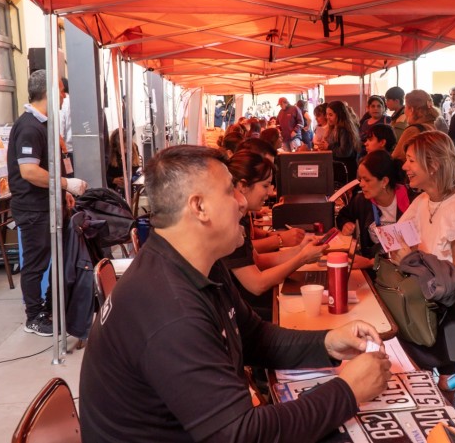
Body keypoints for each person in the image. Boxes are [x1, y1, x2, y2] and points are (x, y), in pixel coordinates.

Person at [79, 145, 391, 442]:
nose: (242, 202)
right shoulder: (170, 310)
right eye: (231, 191)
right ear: (199, 207)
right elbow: (242, 435)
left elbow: (254, 337)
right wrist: (348, 391)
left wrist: (328, 342)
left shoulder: (199, 265)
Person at [7, 69, 88, 336]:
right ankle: (34, 316)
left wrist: (62, 192)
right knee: (35, 263)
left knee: (56, 256)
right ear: (49, 92)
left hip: (49, 204)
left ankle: (51, 306)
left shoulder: (45, 125)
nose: (64, 96)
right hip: (33, 209)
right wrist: (66, 183)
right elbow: (30, 172)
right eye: (61, 91)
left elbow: (48, 166)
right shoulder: (29, 127)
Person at [393, 131, 455, 390]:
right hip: (423, 298)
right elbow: (396, 238)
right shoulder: (422, 201)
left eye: (411, 160)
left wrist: (414, 260)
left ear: (434, 165)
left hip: (444, 307)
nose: (404, 166)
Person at [221, 151, 328, 320]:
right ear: (243, 185)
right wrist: (302, 258)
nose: (270, 192)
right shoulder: (230, 223)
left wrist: (300, 250)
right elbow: (257, 284)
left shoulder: (241, 218)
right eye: (265, 186)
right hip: (236, 313)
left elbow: (258, 260)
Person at [336, 151, 414, 264]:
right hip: (374, 267)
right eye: (360, 179)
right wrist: (345, 224)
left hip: (406, 267)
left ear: (384, 181)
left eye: (367, 180)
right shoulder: (362, 201)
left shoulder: (411, 202)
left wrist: (370, 263)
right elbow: (343, 216)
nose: (361, 184)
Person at [315, 100, 360, 184]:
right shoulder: (334, 127)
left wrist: (328, 147)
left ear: (339, 115)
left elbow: (345, 152)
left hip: (345, 169)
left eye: (331, 115)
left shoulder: (344, 129)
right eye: (327, 114)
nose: (327, 117)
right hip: (339, 168)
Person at [391, 90, 439, 162]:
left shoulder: (413, 130)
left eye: (406, 106)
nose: (404, 110)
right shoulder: (432, 126)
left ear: (411, 109)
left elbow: (396, 156)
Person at [107, 128, 141, 195]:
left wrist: (131, 179)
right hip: (112, 189)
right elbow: (102, 174)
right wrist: (113, 180)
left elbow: (136, 168)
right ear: (115, 147)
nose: (124, 151)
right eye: (121, 148)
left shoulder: (134, 147)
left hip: (129, 186)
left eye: (126, 148)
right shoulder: (109, 151)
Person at [58, 77, 73, 168]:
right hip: (77, 147)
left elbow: (60, 130)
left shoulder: (61, 102)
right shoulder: (74, 100)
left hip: (66, 150)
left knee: (69, 174)